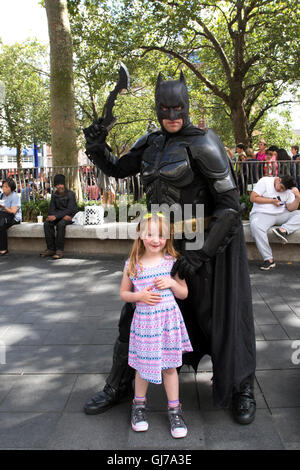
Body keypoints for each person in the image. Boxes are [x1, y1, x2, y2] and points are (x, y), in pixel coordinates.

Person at [83, 71, 256, 425]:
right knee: (135, 313)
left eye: (178, 109)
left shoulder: (205, 143)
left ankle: (241, 386)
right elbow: (118, 169)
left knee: (218, 315)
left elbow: (229, 206)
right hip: (161, 243)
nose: (172, 116)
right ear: (158, 108)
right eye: (165, 110)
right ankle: (120, 385)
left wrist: (201, 254)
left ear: (187, 107)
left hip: (202, 242)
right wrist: (97, 147)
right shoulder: (152, 142)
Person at [120, 214, 192, 438]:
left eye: (160, 235)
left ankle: (174, 409)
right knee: (142, 367)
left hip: (168, 324)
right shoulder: (133, 264)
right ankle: (139, 406)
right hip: (145, 325)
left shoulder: (172, 262)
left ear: (167, 237)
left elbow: (184, 293)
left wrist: (172, 283)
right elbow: (123, 293)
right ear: (141, 236)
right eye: (149, 234)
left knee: (170, 368)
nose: (155, 239)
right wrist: (139, 295)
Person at [250, 175, 300, 271]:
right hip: (263, 213)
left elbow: (290, 208)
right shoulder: (265, 181)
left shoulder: (289, 191)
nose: (281, 191)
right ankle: (269, 260)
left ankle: (283, 230)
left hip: (281, 214)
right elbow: (253, 198)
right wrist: (272, 201)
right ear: (279, 180)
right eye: (281, 187)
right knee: (256, 226)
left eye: (284, 190)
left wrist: (298, 197)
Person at [40, 174, 77, 260]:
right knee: (47, 224)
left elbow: (70, 210)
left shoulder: (71, 194)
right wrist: (51, 216)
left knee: (61, 224)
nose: (59, 186)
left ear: (64, 184)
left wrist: (56, 216)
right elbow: (51, 209)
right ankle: (51, 249)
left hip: (69, 216)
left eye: (60, 184)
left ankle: (59, 250)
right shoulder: (54, 195)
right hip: (58, 216)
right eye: (57, 185)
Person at [0, 178, 22, 256]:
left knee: (1, 224)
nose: (4, 189)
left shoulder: (14, 196)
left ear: (11, 188)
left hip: (14, 217)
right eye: (3, 186)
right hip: (3, 214)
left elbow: (13, 211)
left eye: (6, 187)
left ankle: (3, 248)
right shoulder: (2, 195)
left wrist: (3, 207)